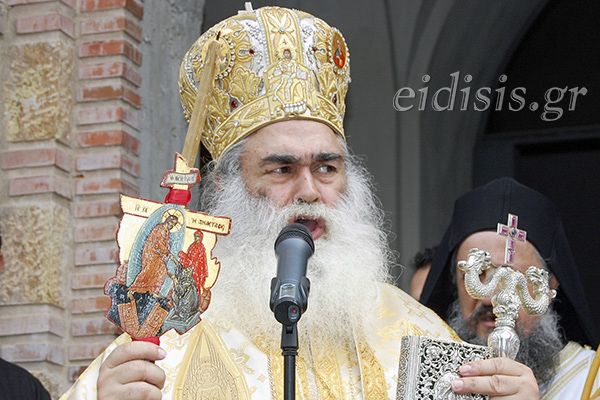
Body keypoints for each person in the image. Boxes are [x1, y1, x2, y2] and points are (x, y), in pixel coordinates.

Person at [61, 6, 540, 399]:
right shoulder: (163, 345)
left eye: (327, 168)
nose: (309, 190)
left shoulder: (415, 335)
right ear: (227, 187)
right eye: (282, 169)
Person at [420, 177, 600, 399]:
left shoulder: (591, 380)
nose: (491, 298)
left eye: (514, 276)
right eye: (477, 275)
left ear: (549, 285)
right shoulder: (421, 379)